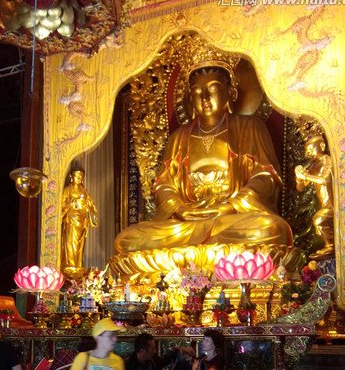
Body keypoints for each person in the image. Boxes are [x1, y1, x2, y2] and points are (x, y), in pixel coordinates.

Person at [115, 61, 292, 255]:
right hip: (187, 222)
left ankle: (196, 256)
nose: (205, 98)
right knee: (127, 240)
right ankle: (216, 256)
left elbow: (266, 177)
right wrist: (180, 209)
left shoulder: (250, 127)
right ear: (190, 98)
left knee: (270, 228)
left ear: (230, 93)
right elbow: (163, 186)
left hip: (231, 219)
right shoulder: (178, 138)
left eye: (212, 89)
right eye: (197, 92)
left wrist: (230, 206)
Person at [295, 133, 334, 257]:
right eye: (308, 151)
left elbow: (325, 180)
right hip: (324, 204)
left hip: (334, 202)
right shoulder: (313, 165)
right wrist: (299, 178)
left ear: (322, 146)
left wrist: (305, 176)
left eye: (312, 149)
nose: (310, 153)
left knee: (319, 220)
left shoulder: (327, 159)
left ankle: (332, 246)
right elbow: (300, 188)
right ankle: (330, 246)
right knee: (318, 223)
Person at [61, 169, 98, 276]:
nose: (79, 179)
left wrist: (89, 206)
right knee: (70, 242)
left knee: (79, 245)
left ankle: (78, 265)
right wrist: (71, 204)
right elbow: (62, 206)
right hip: (71, 220)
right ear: (71, 177)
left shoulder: (84, 191)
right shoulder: (67, 190)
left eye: (81, 177)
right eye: (77, 176)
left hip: (82, 221)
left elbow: (91, 205)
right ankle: (69, 265)